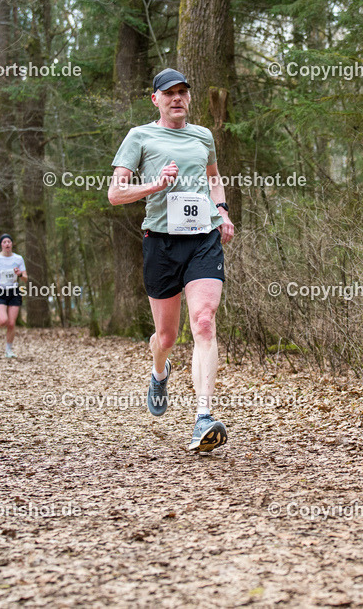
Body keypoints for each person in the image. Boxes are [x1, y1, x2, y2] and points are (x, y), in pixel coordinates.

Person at [108, 68, 235, 453]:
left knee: (204, 321)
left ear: (189, 98)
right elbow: (116, 193)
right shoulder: (139, 136)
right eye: (169, 93)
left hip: (203, 239)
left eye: (183, 92)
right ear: (156, 99)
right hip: (161, 243)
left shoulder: (203, 136)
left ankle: (203, 417)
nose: (177, 98)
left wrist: (223, 211)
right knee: (166, 337)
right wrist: (155, 185)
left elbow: (214, 177)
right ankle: (159, 371)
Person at [0, 234, 27, 358]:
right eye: (4, 242)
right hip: (0, 291)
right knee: (3, 320)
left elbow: (25, 278)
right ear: (1, 245)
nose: (7, 244)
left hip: (14, 292)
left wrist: (19, 274)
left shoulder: (18, 258)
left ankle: (8, 350)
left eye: (9, 242)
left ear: (12, 244)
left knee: (11, 323)